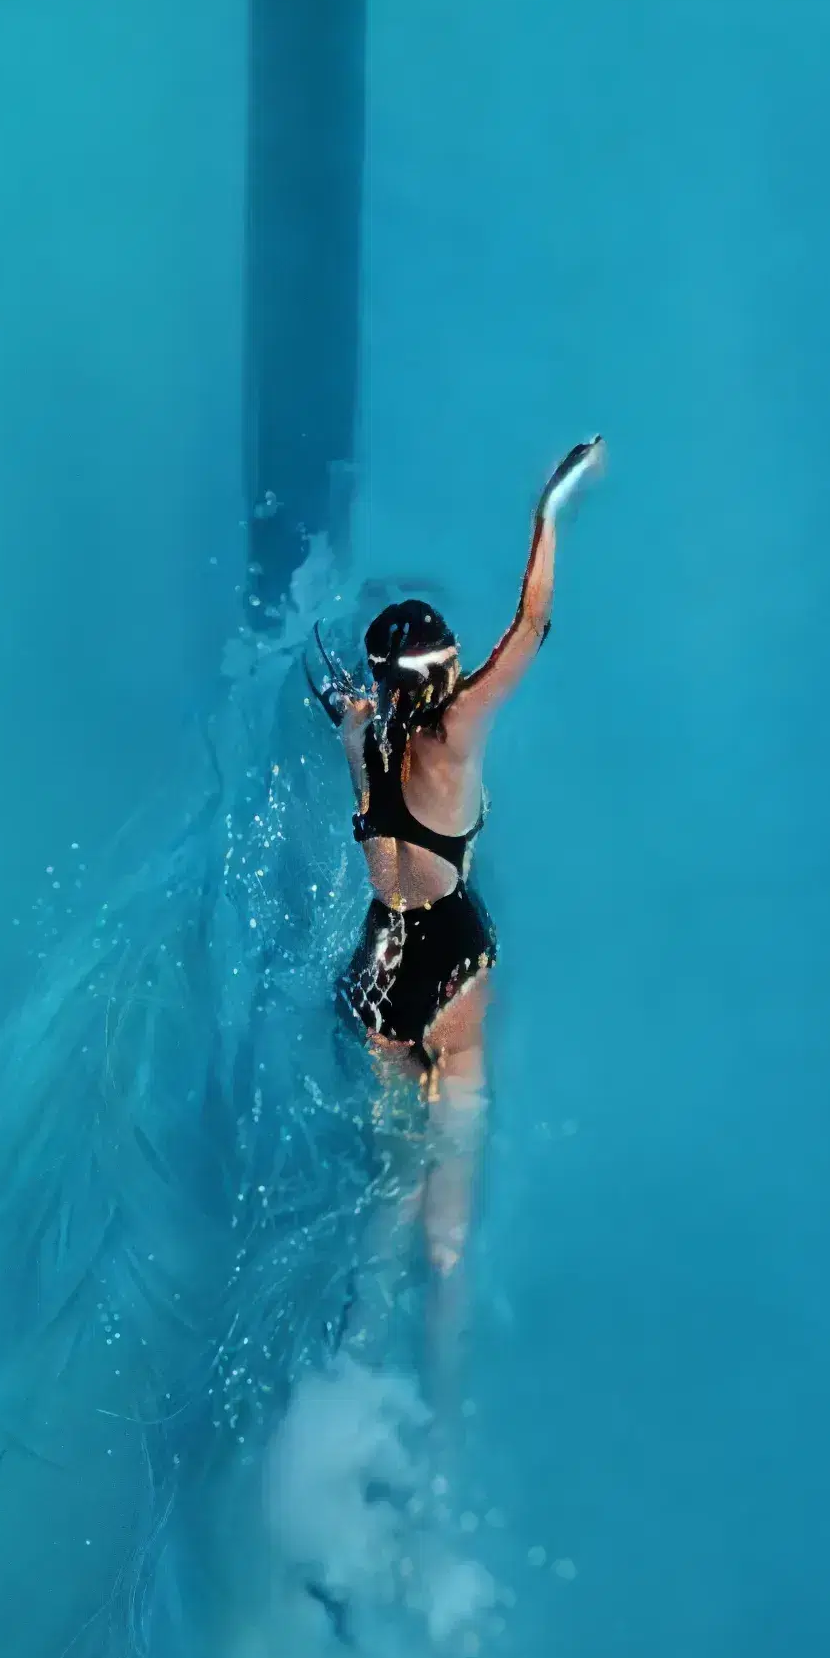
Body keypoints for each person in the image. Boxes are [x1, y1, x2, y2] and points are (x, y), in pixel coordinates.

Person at [332, 436, 601, 1331]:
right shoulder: (452, 741)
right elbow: (530, 630)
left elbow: (351, 710)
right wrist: (548, 512)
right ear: (441, 678)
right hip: (448, 960)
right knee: (449, 1219)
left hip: (377, 972)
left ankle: (354, 1365)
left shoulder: (364, 737)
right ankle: (439, 1427)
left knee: (391, 1185)